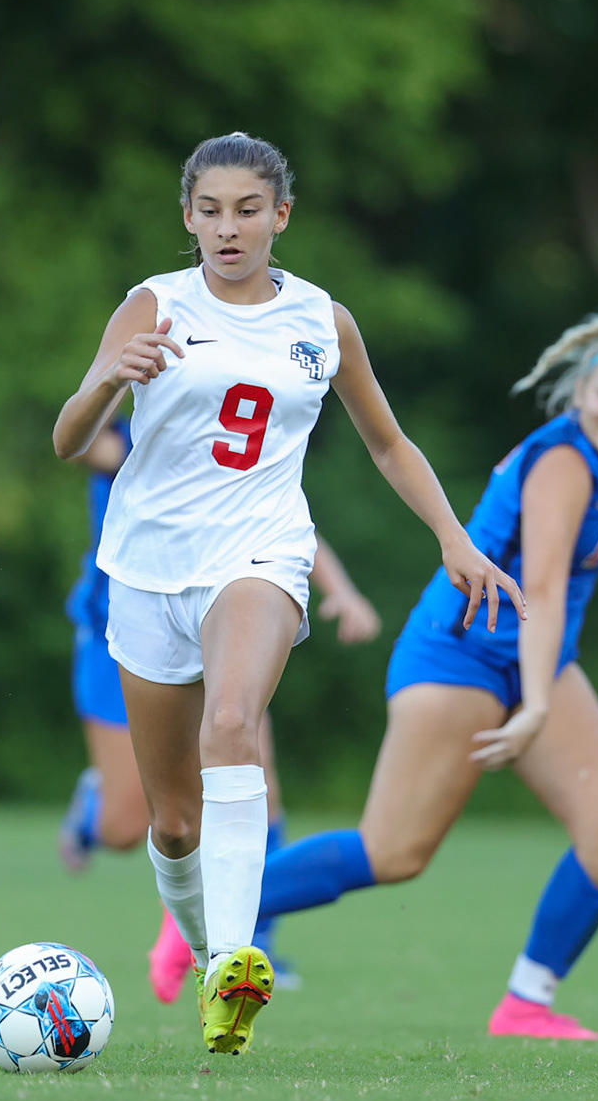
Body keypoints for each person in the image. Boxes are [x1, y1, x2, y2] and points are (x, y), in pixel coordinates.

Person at [51, 131, 522, 1055]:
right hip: (145, 571)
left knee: (234, 720)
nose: (229, 228)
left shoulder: (322, 320)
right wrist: (111, 375)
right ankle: (202, 945)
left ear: (281, 216)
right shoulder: (153, 303)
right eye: (211, 210)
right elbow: (71, 438)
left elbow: (387, 441)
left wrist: (454, 538)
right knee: (172, 823)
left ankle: (235, 959)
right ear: (188, 217)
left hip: (259, 555)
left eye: (248, 210)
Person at [252, 309, 598, 1040]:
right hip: (460, 653)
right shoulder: (563, 463)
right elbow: (538, 589)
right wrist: (535, 704)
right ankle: (206, 909)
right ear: (581, 394)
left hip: (540, 660)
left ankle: (524, 1004)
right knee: (393, 853)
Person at [54, 415, 384, 996]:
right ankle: (91, 813)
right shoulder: (141, 411)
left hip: (225, 607)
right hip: (129, 621)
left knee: (257, 777)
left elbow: (284, 514)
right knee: (134, 826)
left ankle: (256, 945)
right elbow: (76, 445)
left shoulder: (239, 404)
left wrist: (343, 591)